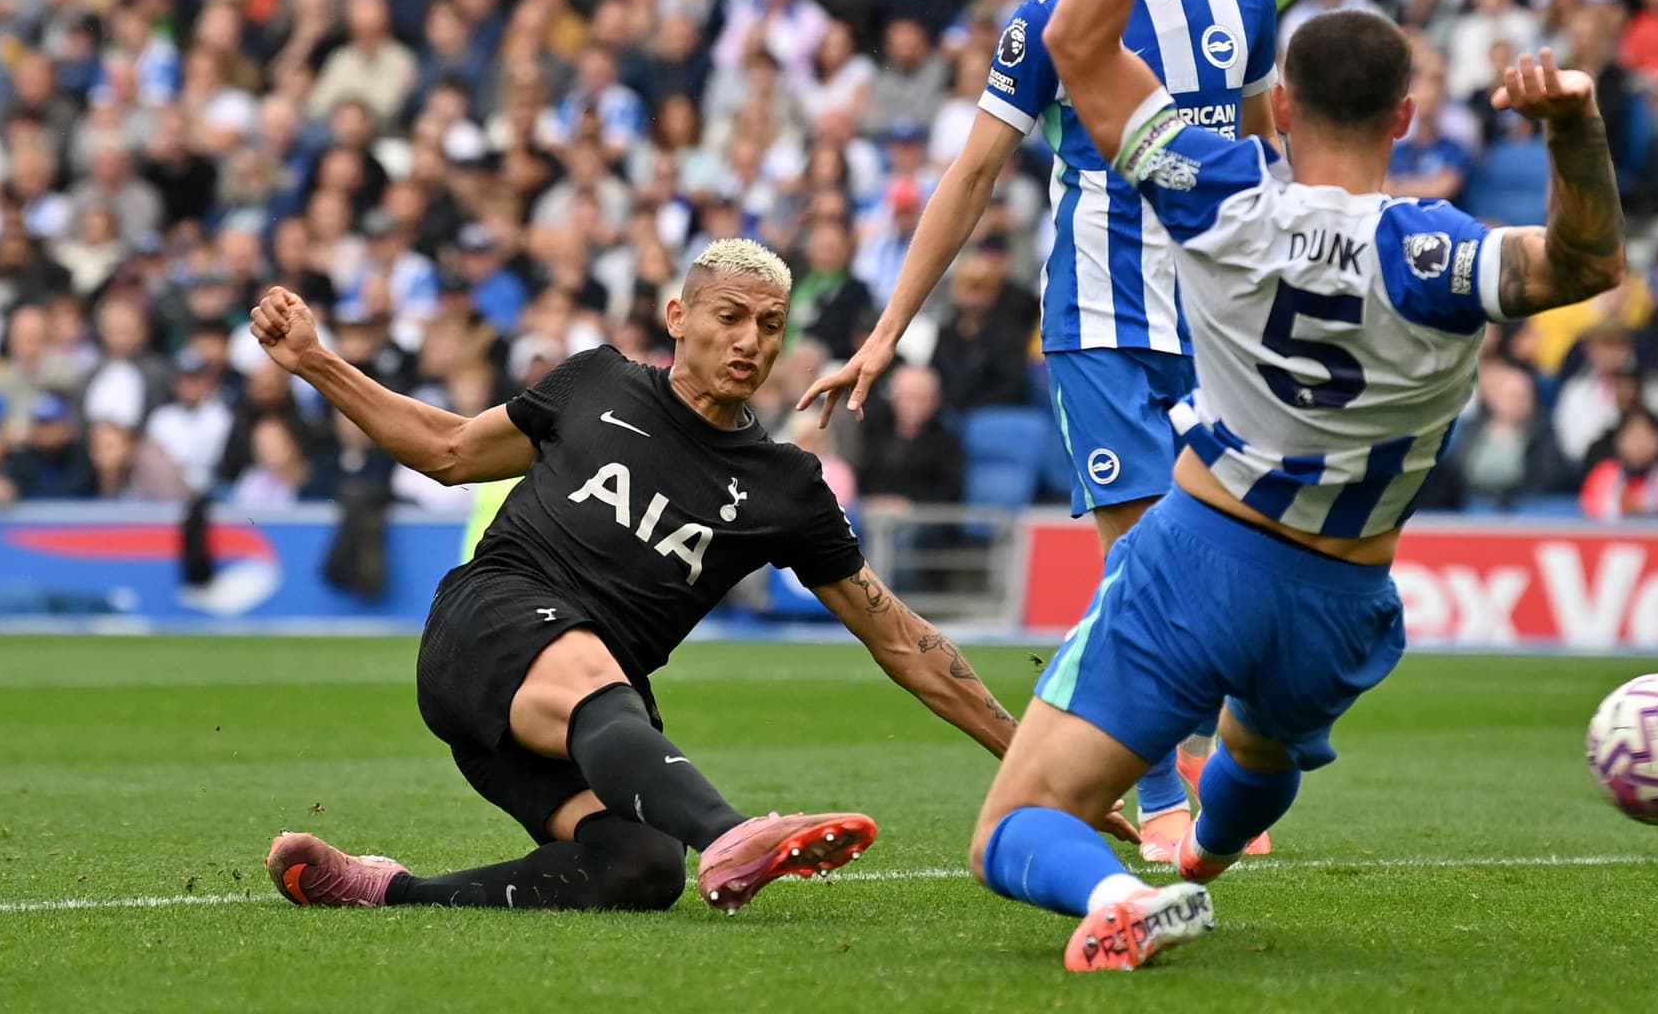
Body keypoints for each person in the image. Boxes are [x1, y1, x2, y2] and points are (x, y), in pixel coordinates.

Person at [962, 0, 1625, 972]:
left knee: (1015, 823)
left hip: (1202, 557)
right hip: (1343, 599)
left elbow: (1075, 37)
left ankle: (1116, 896)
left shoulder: (1225, 202)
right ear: (1407, 117)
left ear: (1276, 110)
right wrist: (1575, 129)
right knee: (1262, 752)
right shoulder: (1446, 251)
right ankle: (1207, 854)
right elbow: (1585, 260)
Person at [249, 239, 1093, 917]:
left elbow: (903, 642)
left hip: (582, 715)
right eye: (731, 317)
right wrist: (316, 362)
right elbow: (446, 451)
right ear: (679, 316)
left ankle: (381, 889)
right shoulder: (596, 382)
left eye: (770, 325)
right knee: (593, 676)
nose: (751, 341)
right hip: (488, 623)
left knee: (640, 869)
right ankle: (736, 834)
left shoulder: (786, 487)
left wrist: (1034, 762)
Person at [802, 0, 1281, 864]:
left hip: (1217, 321)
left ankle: (1187, 765)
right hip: (1102, 319)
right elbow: (970, 175)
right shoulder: (1053, 12)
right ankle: (1162, 798)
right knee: (1139, 562)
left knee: (1227, 564)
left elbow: (1263, 158)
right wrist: (885, 332)